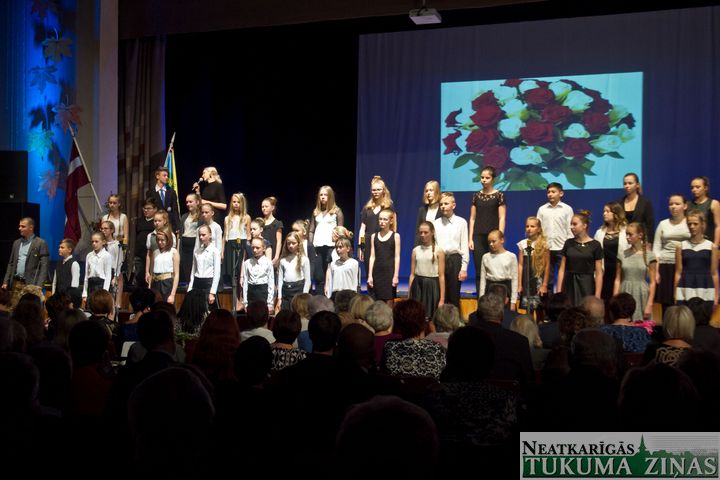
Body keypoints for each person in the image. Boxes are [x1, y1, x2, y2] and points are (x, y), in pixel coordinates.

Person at [469, 166, 506, 296]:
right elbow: (472, 218)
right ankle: (481, 299)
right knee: (480, 270)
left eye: (487, 178)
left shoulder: (499, 195)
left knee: (494, 269)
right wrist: (470, 239)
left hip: (493, 237)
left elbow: (502, 218)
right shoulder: (476, 196)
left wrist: (500, 237)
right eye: (482, 177)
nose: (484, 180)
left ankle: (493, 298)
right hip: (478, 237)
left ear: (493, 179)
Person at [178, 224, 221, 333]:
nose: (201, 237)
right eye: (200, 235)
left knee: (208, 313)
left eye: (203, 235)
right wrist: (190, 288)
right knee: (194, 311)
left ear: (210, 235)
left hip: (208, 284)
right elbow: (193, 271)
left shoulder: (215, 251)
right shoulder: (197, 251)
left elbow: (217, 273)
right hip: (197, 284)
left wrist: (212, 292)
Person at [653, 194, 690, 314]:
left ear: (685, 206)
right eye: (671, 204)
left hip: (685, 265)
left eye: (677, 204)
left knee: (684, 301)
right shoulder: (663, 224)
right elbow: (656, 248)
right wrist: (656, 271)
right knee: (667, 303)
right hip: (666, 266)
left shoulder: (690, 223)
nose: (673, 206)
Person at [557, 210, 603, 306]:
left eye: (574, 224)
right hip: (569, 284)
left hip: (586, 285)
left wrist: (597, 295)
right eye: (571, 224)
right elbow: (562, 269)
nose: (571, 227)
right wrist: (558, 291)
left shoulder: (595, 245)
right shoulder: (568, 243)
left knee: (585, 309)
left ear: (584, 225)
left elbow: (599, 272)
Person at [675, 209, 719, 308]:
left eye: (695, 224)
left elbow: (714, 273)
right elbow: (678, 272)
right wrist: (675, 293)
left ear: (702, 224)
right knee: (685, 316)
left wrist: (716, 295)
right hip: (685, 287)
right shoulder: (681, 246)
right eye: (689, 224)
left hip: (705, 288)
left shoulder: (711, 247)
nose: (692, 226)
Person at [433, 192, 468, 308]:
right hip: (440, 259)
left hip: (454, 260)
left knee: (453, 295)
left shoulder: (461, 222)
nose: (443, 206)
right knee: (441, 294)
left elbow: (464, 246)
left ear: (454, 205)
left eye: (446, 203)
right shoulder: (436, 223)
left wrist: (464, 268)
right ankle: (440, 318)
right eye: (441, 204)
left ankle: (455, 319)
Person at [614, 222, 657, 320]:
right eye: (626, 234)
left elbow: (652, 282)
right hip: (625, 291)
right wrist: (615, 298)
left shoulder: (650, 255)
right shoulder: (622, 255)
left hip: (641, 294)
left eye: (630, 234)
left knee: (640, 323)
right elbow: (617, 279)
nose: (627, 237)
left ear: (640, 235)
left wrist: (650, 303)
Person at [536, 182, 573, 292]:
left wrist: (568, 246)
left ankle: (563, 299)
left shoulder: (567, 209)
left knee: (564, 277)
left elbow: (570, 229)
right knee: (547, 279)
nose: (550, 194)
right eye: (548, 192)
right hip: (546, 248)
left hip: (562, 248)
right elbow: (538, 229)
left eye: (553, 192)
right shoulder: (542, 209)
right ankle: (548, 300)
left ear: (561, 193)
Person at [309, 186, 344, 296]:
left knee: (331, 274)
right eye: (321, 195)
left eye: (325, 195)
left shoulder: (336, 211)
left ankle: (332, 298)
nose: (323, 197)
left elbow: (341, 231)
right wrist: (311, 245)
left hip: (331, 246)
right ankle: (320, 298)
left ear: (330, 196)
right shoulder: (316, 212)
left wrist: (338, 246)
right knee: (319, 275)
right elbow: (311, 230)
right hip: (317, 247)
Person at [2, 218, 49, 300]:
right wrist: (5, 281)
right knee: (13, 307)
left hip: (30, 285)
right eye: (19, 226)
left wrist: (39, 285)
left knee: (28, 307)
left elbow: (44, 266)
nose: (19, 228)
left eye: (23, 226)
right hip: (16, 283)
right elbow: (11, 263)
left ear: (31, 227)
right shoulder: (16, 243)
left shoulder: (40, 243)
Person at [358, 176, 395, 277]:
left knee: (381, 272)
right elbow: (362, 229)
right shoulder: (367, 208)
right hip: (368, 242)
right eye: (374, 190)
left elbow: (393, 226)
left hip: (383, 242)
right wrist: (361, 246)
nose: (376, 192)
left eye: (378, 189)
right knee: (369, 273)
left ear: (383, 190)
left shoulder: (388, 207)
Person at [409, 221, 445, 319]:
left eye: (425, 232)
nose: (423, 235)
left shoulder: (439, 251)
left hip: (432, 286)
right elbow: (412, 274)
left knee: (430, 318)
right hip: (417, 286)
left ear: (432, 232)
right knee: (416, 316)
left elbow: (441, 276)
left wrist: (442, 299)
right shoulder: (415, 250)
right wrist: (409, 294)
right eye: (421, 232)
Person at [593, 202, 628, 303]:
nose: (604, 214)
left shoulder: (625, 231)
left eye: (608, 211)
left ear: (616, 214)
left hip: (619, 270)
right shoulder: (600, 232)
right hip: (604, 271)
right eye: (604, 211)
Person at [517, 217, 550, 320]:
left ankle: (540, 327)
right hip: (527, 280)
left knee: (539, 309)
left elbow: (547, 265)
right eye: (527, 226)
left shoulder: (544, 244)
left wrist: (544, 284)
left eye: (532, 226)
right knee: (528, 309)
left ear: (539, 229)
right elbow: (520, 265)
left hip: (538, 280)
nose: (529, 228)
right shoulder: (523, 244)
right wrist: (519, 284)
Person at [368, 209, 400, 305]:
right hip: (377, 272)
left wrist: (395, 276)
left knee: (389, 301)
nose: (382, 222)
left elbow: (397, 257)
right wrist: (370, 275)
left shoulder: (395, 236)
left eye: (385, 219)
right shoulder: (374, 236)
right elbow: (372, 256)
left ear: (391, 221)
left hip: (389, 273)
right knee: (376, 301)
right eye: (380, 219)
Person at [479, 230, 517, 310]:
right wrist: (481, 299)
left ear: (502, 240)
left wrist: (513, 301)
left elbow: (514, 280)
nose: (491, 244)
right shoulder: (486, 257)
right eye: (489, 242)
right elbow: (482, 280)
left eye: (494, 241)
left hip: (505, 289)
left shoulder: (511, 256)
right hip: (490, 289)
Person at [224, 192, 251, 306]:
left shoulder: (246, 217)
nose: (235, 204)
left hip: (242, 244)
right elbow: (225, 236)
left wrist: (247, 249)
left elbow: (248, 235)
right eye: (234, 202)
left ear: (242, 203)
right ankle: (235, 300)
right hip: (230, 244)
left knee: (241, 271)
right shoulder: (227, 218)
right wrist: (222, 252)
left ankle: (242, 298)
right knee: (232, 272)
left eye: (238, 202)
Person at [277, 232, 311, 311]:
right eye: (288, 243)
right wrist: (279, 298)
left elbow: (308, 280)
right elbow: (280, 280)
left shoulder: (304, 259)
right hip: (286, 291)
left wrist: (304, 296)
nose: (291, 245)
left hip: (298, 290)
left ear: (298, 244)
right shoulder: (283, 260)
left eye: (293, 243)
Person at [618, 172, 654, 242]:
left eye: (630, 183)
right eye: (625, 184)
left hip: (640, 241)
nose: (627, 186)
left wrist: (649, 242)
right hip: (623, 241)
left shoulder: (645, 202)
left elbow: (650, 225)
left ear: (637, 185)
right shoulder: (619, 203)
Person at [242, 237, 275, 314]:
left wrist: (270, 303)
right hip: (251, 293)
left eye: (257, 248)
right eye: (253, 247)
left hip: (263, 292)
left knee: (262, 315)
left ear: (264, 248)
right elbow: (245, 282)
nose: (254, 250)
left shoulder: (268, 263)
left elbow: (271, 282)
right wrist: (245, 302)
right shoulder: (247, 263)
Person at [82, 231, 113, 308]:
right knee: (90, 307)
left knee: (99, 307)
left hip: (100, 285)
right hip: (91, 285)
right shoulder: (89, 255)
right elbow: (86, 275)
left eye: (96, 241)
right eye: (92, 242)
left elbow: (108, 275)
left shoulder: (106, 256)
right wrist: (84, 293)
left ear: (103, 242)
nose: (94, 244)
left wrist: (105, 292)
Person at [146, 166, 180, 232]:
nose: (167, 177)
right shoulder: (150, 193)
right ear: (157, 176)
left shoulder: (171, 192)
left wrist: (178, 226)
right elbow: (150, 211)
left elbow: (175, 210)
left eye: (167, 176)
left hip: (170, 226)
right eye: (164, 175)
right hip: (156, 225)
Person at [133, 198, 158, 288]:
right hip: (139, 255)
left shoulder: (156, 222)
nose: (146, 210)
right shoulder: (139, 221)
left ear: (155, 209)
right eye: (144, 208)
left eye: (149, 208)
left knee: (151, 278)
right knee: (139, 277)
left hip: (152, 254)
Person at [150, 229, 180, 304]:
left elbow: (176, 274)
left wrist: (172, 294)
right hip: (155, 284)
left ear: (168, 239)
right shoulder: (155, 252)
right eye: (158, 240)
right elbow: (151, 273)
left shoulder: (173, 252)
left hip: (167, 284)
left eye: (162, 240)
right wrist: (150, 286)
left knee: (166, 307)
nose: (160, 242)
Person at [689, 176, 720, 247]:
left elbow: (718, 226)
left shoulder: (713, 204)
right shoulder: (688, 205)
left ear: (706, 188)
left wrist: (716, 244)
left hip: (709, 242)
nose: (694, 190)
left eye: (697, 187)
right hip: (692, 243)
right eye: (692, 187)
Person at [180, 193, 202, 283]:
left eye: (190, 202)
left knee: (196, 268)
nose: (188, 204)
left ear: (197, 202)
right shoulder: (184, 216)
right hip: (185, 246)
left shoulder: (201, 217)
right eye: (187, 202)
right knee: (186, 269)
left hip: (195, 245)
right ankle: (188, 286)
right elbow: (180, 234)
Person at [51, 238, 81, 307]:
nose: (59, 249)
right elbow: (55, 282)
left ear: (69, 250)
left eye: (62, 247)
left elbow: (75, 284)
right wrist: (53, 294)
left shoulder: (74, 263)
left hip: (67, 299)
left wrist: (71, 300)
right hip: (58, 298)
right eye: (59, 247)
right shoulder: (58, 263)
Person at [101, 220, 124, 305]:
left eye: (106, 228)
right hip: (102, 272)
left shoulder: (116, 245)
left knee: (112, 297)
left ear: (112, 230)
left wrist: (115, 276)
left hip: (113, 272)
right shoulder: (101, 244)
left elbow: (119, 261)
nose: (103, 230)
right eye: (102, 228)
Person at [415, 180, 442, 245]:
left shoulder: (442, 209)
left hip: (439, 244)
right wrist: (416, 246)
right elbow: (418, 231)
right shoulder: (422, 210)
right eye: (426, 191)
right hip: (425, 245)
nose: (428, 193)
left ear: (437, 191)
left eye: (431, 190)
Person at [260, 196, 283, 268]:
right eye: (262, 207)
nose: (264, 208)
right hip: (261, 253)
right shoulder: (260, 223)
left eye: (266, 206)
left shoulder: (277, 223)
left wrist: (276, 256)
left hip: (272, 253)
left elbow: (279, 242)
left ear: (272, 208)